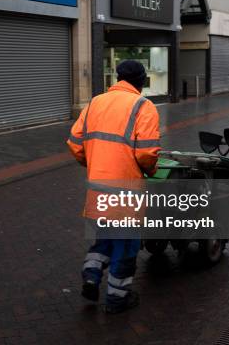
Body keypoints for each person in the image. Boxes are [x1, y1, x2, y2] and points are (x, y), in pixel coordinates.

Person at [67, 60, 161, 314]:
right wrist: (151, 170)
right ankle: (117, 299)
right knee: (126, 246)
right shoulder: (144, 106)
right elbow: (146, 153)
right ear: (141, 81)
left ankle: (91, 276)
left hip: (97, 189)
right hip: (126, 192)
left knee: (104, 240)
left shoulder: (95, 102)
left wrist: (93, 162)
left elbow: (75, 144)